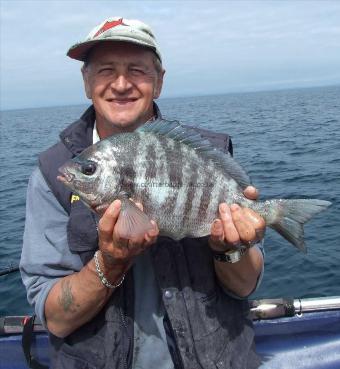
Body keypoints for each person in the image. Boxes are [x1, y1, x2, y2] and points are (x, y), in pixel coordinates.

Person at [20, 17, 265, 369]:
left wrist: (231, 248)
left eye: (137, 70)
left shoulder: (209, 154)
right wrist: (111, 261)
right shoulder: (50, 176)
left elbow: (244, 288)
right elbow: (56, 319)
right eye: (106, 70)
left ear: (159, 82)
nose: (121, 84)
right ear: (87, 82)